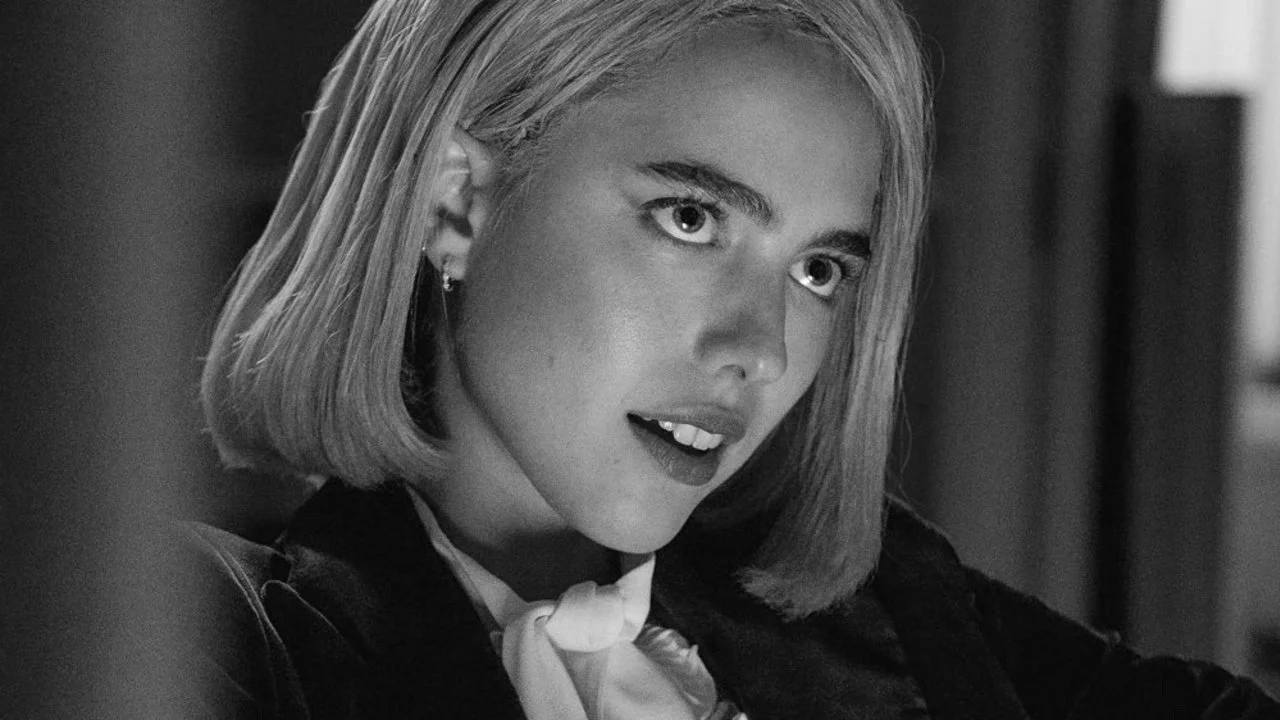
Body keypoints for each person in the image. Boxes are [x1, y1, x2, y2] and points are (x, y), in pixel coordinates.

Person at [178, 0, 1279, 717]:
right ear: (454, 205)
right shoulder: (223, 651)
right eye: (691, 219)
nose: (759, 349)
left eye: (819, 271)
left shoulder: (892, 610)